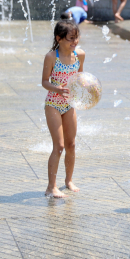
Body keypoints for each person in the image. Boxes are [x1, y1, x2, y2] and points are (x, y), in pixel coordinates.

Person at [42, 20, 86, 198]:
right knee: (59, 146)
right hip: (53, 103)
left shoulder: (80, 54)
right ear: (59, 38)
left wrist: (85, 89)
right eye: (70, 39)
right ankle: (51, 187)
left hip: (69, 104)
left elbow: (80, 77)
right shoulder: (52, 57)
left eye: (76, 38)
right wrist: (57, 88)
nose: (74, 42)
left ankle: (68, 181)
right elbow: (44, 82)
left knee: (71, 144)